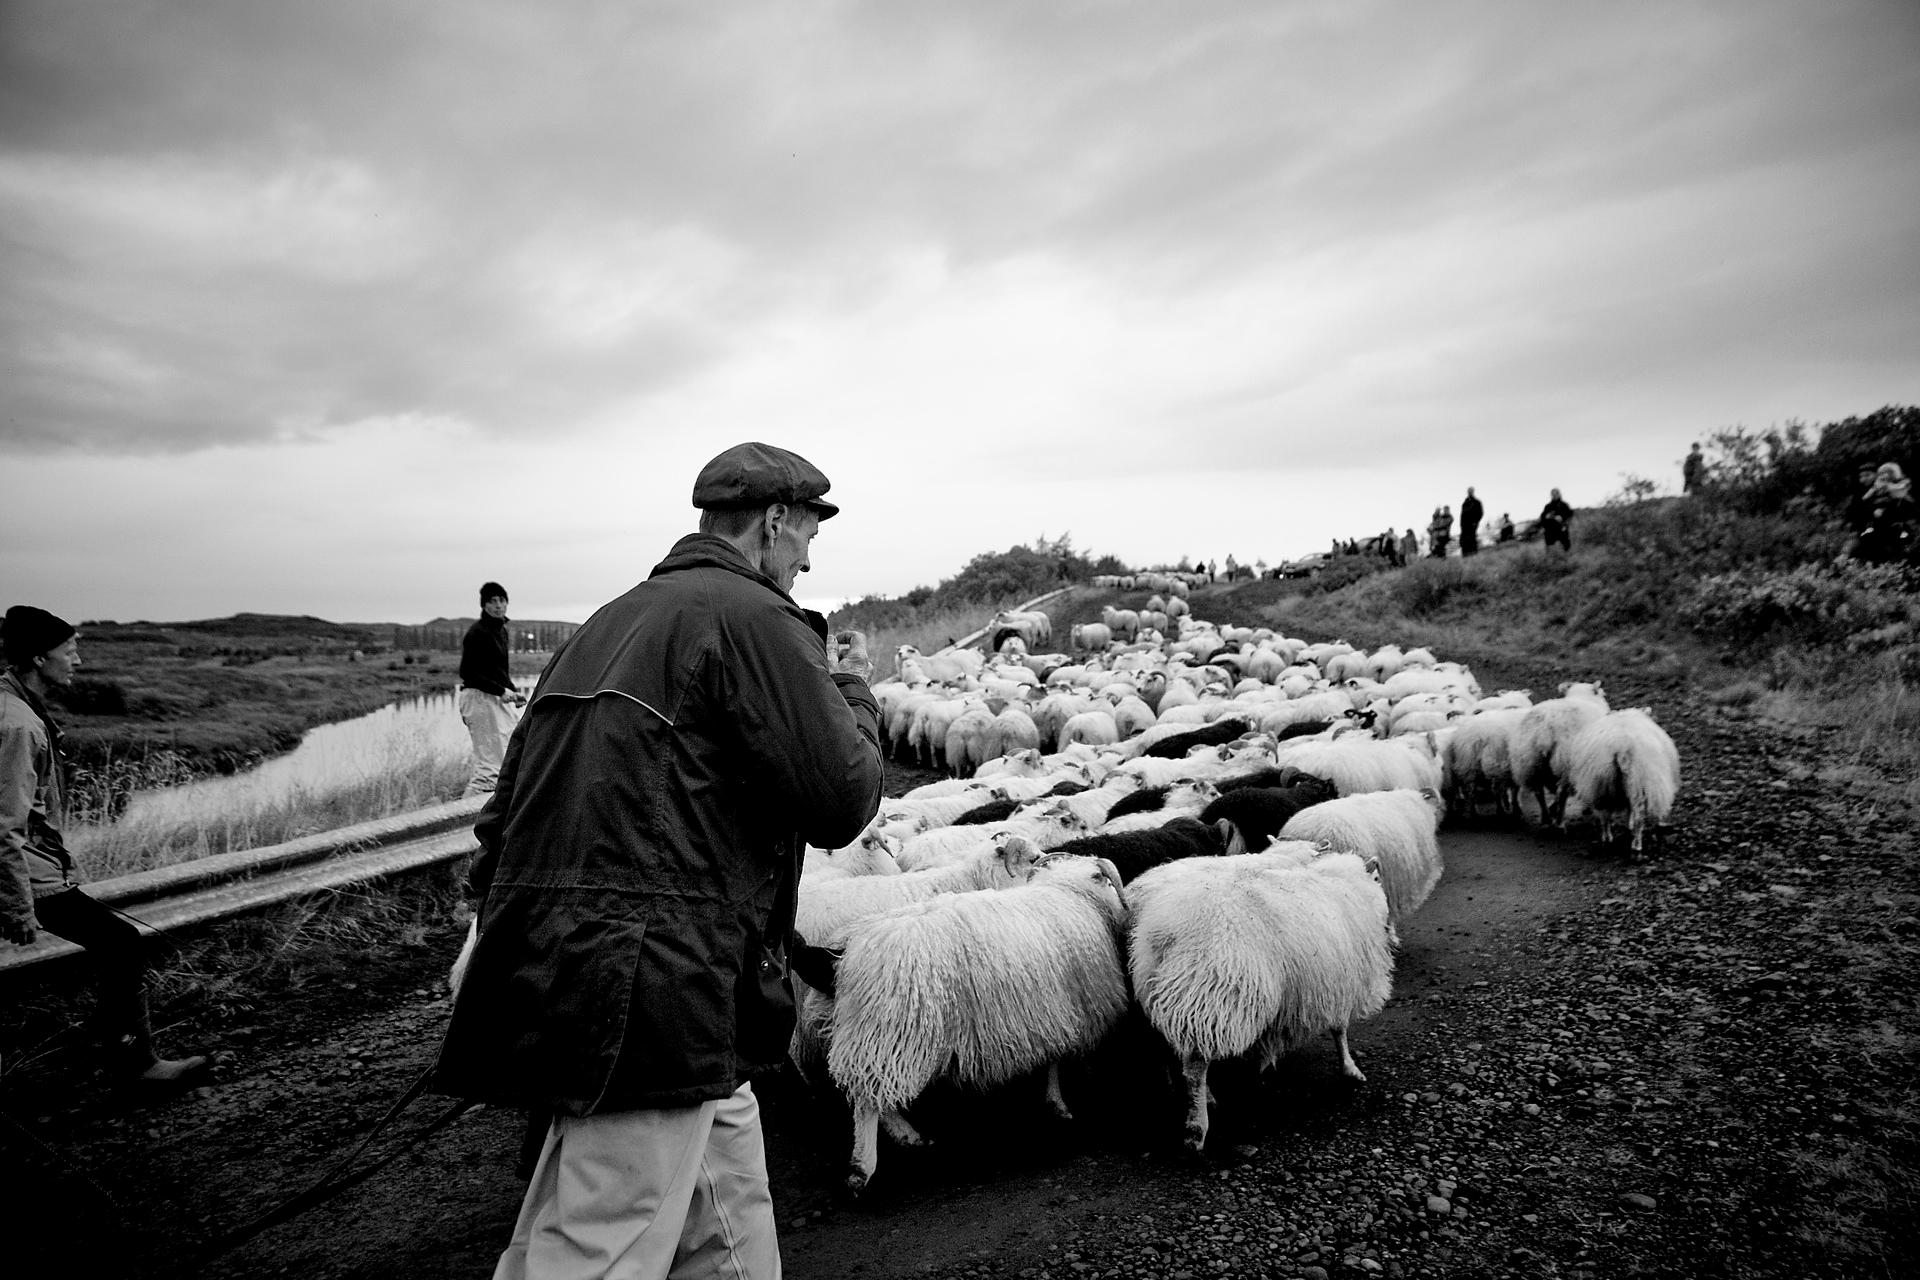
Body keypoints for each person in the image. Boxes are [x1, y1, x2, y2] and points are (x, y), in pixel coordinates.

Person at [430, 442, 884, 1280]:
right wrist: (848, 686)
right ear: (776, 523)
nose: (811, 555)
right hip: (650, 994)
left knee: (729, 1229)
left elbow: (503, 816)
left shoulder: (607, 622)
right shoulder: (754, 620)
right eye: (810, 532)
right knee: (599, 1244)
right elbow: (841, 798)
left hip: (614, 983)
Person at [1, 606, 211, 1088]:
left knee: (115, 944)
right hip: (24, 873)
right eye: (69, 650)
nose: (77, 660)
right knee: (120, 943)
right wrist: (18, 905)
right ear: (38, 657)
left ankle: (103, 1043)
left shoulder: (18, 706)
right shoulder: (16, 724)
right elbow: (4, 826)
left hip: (32, 867)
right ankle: (135, 1063)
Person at [458, 582, 526, 798]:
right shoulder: (477, 633)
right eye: (492, 601)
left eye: (502, 600)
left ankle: (486, 814)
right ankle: (461, 816)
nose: (498, 606)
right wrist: (502, 691)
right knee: (490, 768)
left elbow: (498, 670)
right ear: (484, 605)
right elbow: (469, 673)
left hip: (495, 697)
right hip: (479, 698)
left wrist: (512, 692)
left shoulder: (500, 630)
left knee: (509, 757)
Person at [1852, 462, 1916, 565]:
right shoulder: (1863, 493)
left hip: (1892, 532)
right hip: (1871, 535)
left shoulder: (1895, 487)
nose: (1863, 480)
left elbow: (1907, 507)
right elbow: (1858, 514)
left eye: (1867, 475)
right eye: (1861, 476)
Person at [1541, 488, 1574, 552]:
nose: (1554, 495)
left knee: (1565, 548)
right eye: (1552, 494)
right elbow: (1542, 518)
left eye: (1556, 494)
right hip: (1550, 532)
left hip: (1562, 530)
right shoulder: (1548, 506)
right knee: (1551, 551)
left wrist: (1563, 518)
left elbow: (1570, 515)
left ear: (1559, 494)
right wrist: (1547, 517)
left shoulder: (1564, 505)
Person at [1459, 488, 1484, 557]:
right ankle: (1465, 555)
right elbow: (1462, 515)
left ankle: (1473, 555)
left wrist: (1475, 522)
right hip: (1464, 526)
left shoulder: (1477, 502)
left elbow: (1480, 513)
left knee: (1472, 539)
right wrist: (1461, 525)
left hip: (1472, 525)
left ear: (1473, 492)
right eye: (1468, 491)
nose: (1469, 492)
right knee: (1464, 540)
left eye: (1471, 491)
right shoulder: (1465, 503)